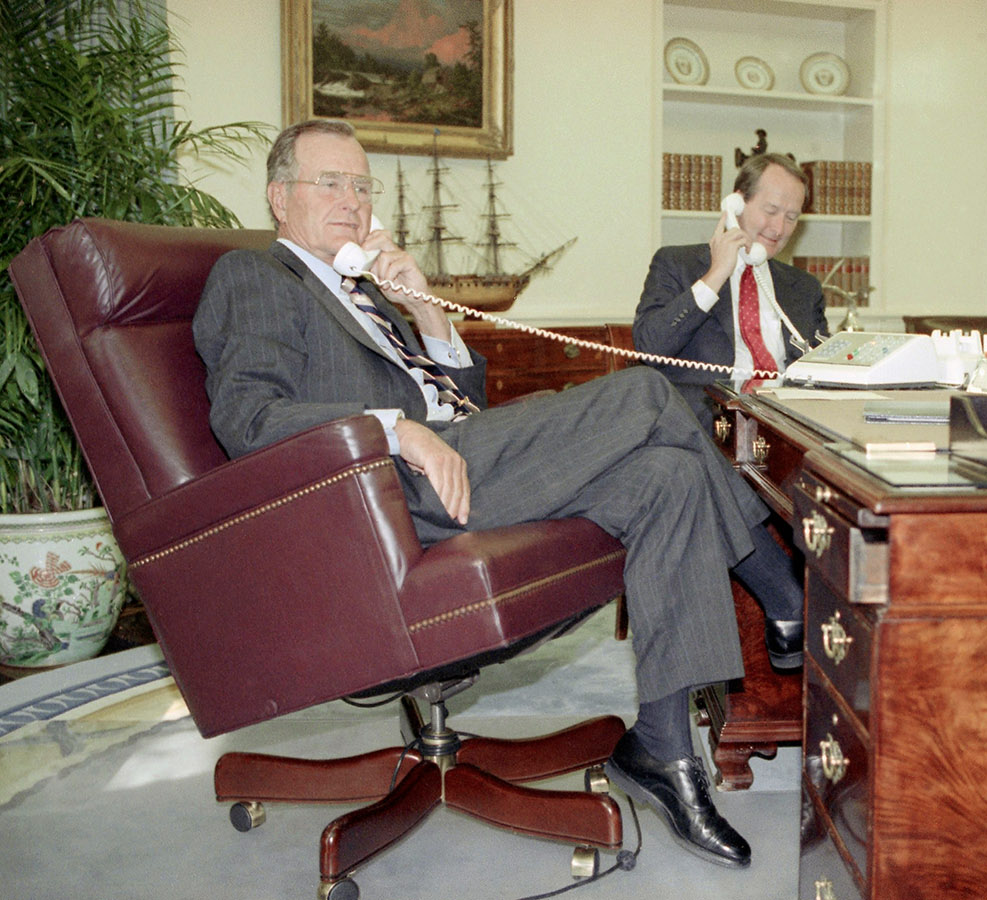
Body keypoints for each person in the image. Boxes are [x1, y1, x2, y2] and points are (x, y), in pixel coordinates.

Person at [192, 120, 806, 870]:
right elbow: (250, 418)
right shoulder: (253, 278)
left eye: (361, 186)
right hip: (391, 496)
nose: (351, 202)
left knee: (671, 475)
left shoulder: (360, 289)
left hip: (467, 461)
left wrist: (426, 315)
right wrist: (394, 430)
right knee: (652, 392)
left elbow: (463, 395)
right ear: (278, 196)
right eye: (331, 183)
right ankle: (779, 582)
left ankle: (664, 750)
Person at [632, 153, 829, 424]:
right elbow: (649, 348)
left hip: (786, 427)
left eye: (792, 217)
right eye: (770, 211)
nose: (779, 228)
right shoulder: (677, 264)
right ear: (736, 204)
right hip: (705, 426)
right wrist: (716, 274)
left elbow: (824, 372)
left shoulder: (804, 288)